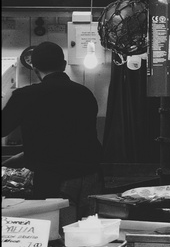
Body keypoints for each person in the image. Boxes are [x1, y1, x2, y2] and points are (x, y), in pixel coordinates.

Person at [0, 42, 102, 214]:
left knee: (54, 232)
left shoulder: (25, 96)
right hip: (91, 178)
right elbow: (72, 138)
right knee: (87, 232)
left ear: (34, 67)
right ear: (63, 65)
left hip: (53, 180)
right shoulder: (85, 94)